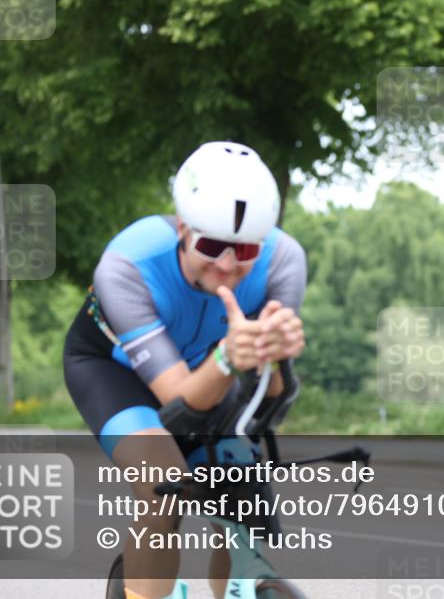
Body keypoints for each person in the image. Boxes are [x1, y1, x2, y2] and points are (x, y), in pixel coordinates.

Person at [63, 141, 307, 599]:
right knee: (165, 488)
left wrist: (275, 363)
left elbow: (268, 398)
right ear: (182, 228)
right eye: (212, 244)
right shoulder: (126, 265)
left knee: (239, 489)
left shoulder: (284, 261)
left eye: (246, 248)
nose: (228, 265)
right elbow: (177, 404)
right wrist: (229, 358)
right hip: (114, 373)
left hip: (210, 370)